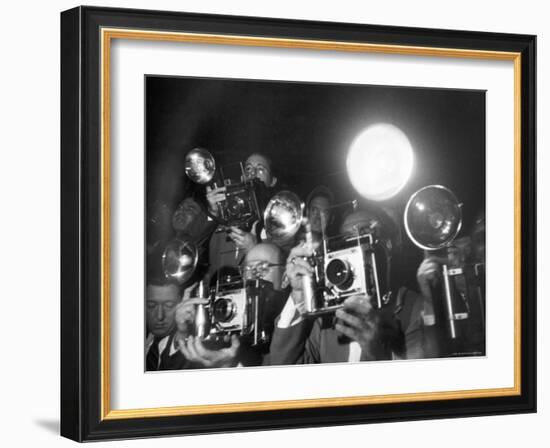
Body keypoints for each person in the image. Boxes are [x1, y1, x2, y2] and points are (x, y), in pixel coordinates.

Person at [268, 206, 438, 365]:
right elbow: (283, 369)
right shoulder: (329, 314)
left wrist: (377, 353)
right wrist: (298, 293)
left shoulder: (415, 307)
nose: (356, 242)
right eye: (348, 238)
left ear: (387, 244)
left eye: (364, 233)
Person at [175, 242, 287, 367]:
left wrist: (229, 365)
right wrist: (184, 332)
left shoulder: (291, 325)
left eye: (263, 268)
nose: (254, 275)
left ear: (285, 278)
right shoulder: (228, 316)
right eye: (247, 269)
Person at [205, 153, 283, 285]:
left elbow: (281, 277)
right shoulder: (225, 216)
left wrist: (253, 249)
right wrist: (213, 214)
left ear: (272, 181)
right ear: (242, 177)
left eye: (260, 169)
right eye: (248, 169)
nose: (252, 174)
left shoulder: (281, 223)